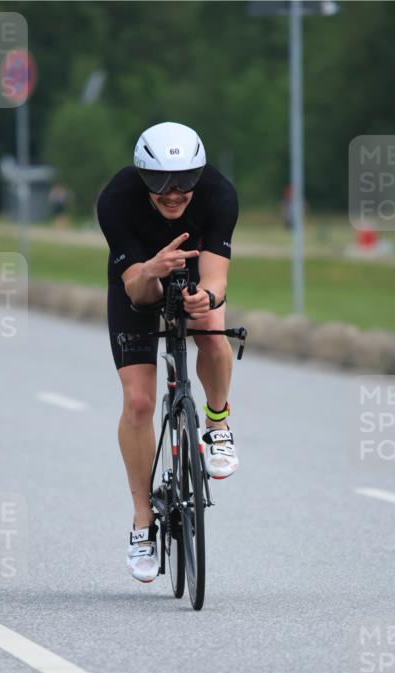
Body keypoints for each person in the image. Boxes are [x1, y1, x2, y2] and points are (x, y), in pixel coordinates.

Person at [96, 121, 239, 584]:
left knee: (214, 333)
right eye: (160, 183)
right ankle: (143, 521)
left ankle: (216, 424)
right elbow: (136, 290)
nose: (174, 194)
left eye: (185, 182)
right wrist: (152, 268)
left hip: (193, 279)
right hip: (138, 281)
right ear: (142, 177)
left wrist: (207, 301)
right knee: (138, 401)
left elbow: (216, 280)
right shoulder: (116, 200)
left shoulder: (219, 195)